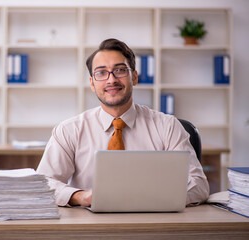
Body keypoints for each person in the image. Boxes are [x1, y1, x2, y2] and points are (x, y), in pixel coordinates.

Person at [36, 38, 209, 207]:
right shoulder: (69, 130)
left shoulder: (168, 126)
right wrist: (81, 196)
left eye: (119, 70)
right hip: (89, 227)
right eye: (101, 72)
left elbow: (198, 185)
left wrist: (147, 198)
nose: (111, 80)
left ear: (134, 77)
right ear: (92, 83)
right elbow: (44, 183)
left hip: (154, 224)